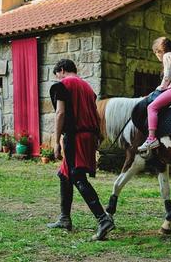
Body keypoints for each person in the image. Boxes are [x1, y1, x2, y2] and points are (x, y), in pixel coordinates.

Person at [47, 59, 115, 241]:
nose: (58, 78)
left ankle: (103, 219)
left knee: (77, 176)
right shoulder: (88, 88)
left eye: (57, 74)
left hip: (75, 136)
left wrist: (56, 141)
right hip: (89, 136)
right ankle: (65, 218)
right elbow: (97, 114)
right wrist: (99, 136)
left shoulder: (63, 85)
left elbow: (60, 113)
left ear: (61, 70)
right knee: (64, 174)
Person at [138, 37, 171, 152]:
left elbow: (167, 77)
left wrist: (158, 90)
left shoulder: (168, 56)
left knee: (152, 107)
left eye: (156, 52)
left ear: (160, 50)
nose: (156, 56)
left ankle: (151, 138)